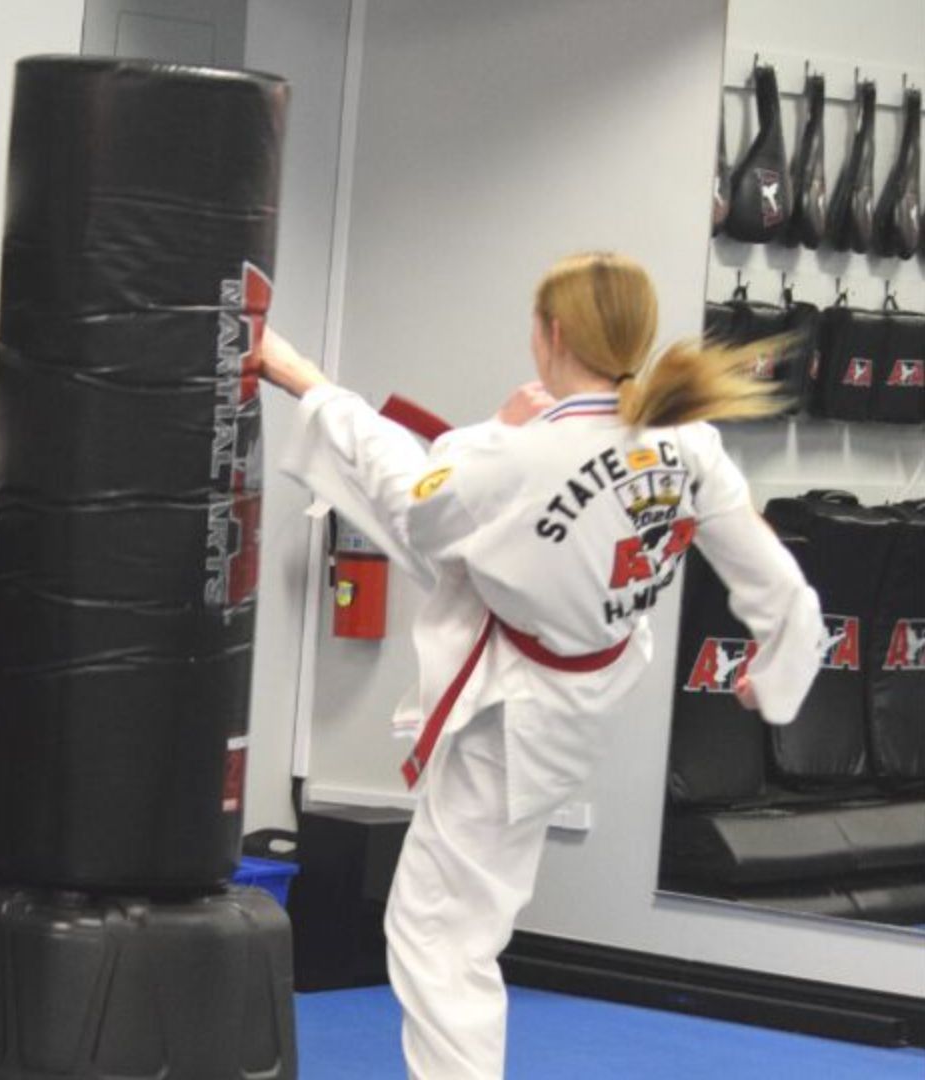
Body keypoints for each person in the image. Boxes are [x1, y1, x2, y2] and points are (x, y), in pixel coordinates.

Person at [256, 251, 824, 1079]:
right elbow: (781, 585)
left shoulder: (517, 455)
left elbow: (410, 496)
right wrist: (776, 678)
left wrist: (310, 382)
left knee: (439, 932)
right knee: (465, 918)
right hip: (584, 692)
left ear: (551, 333)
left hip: (510, 716)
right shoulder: (686, 442)